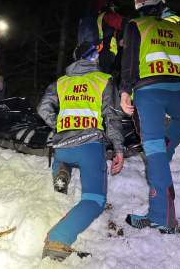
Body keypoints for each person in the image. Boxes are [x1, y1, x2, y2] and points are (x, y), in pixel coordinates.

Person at [119, 0, 180, 234]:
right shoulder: (178, 28)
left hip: (149, 93)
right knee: (179, 120)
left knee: (154, 154)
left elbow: (130, 59)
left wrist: (125, 89)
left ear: (138, 5)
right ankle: (164, 158)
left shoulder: (136, 25)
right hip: (179, 94)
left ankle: (161, 217)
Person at [37, 41, 124, 261]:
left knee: (66, 157)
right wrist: (119, 148)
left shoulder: (62, 81)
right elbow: (112, 117)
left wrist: (58, 125)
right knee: (94, 200)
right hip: (89, 146)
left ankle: (62, 169)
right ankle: (59, 237)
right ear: (93, 57)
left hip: (63, 147)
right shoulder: (104, 80)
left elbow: (42, 108)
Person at [94, 0, 128, 74]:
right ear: (107, 6)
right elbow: (122, 23)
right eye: (112, 6)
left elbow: (104, 39)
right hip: (105, 55)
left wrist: (119, 43)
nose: (114, 9)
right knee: (105, 80)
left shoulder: (97, 19)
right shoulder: (107, 15)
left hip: (95, 55)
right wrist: (139, 24)